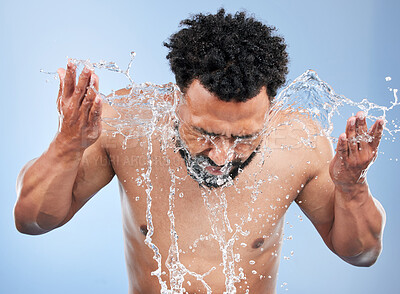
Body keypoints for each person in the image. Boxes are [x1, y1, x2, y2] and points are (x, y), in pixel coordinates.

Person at [14, 9, 386, 294]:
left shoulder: (299, 142)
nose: (222, 157)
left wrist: (352, 188)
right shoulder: (126, 126)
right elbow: (32, 221)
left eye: (244, 138)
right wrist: (67, 145)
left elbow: (361, 255)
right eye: (204, 133)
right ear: (176, 98)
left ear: (270, 109)